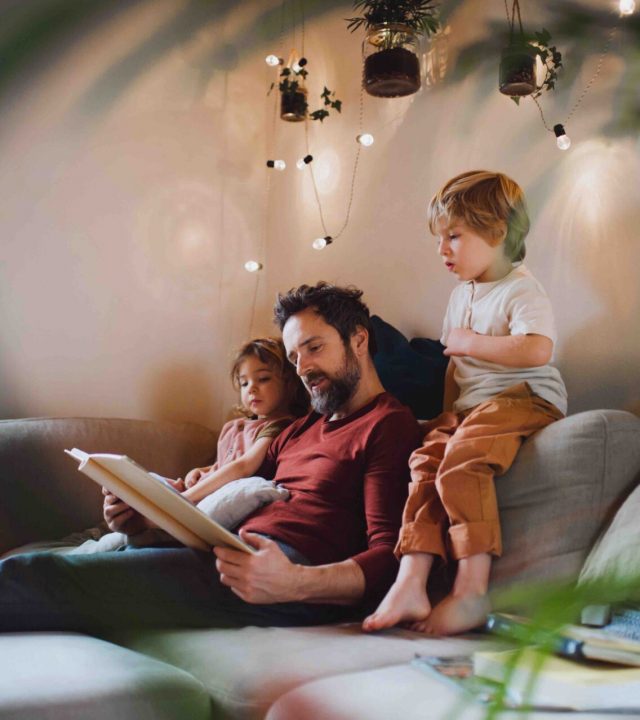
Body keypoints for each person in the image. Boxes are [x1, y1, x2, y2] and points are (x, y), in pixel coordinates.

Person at [0, 283, 421, 633]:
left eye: (314, 348)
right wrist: (144, 514)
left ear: (359, 340)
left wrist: (296, 583)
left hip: (288, 581)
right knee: (40, 567)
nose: (303, 367)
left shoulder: (387, 424)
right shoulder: (301, 427)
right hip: (227, 555)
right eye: (295, 357)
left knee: (33, 576)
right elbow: (228, 479)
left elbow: (388, 556)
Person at [363, 170, 568, 636]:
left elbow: (537, 349)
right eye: (440, 239)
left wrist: (472, 341)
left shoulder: (521, 289)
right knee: (426, 461)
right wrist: (444, 414)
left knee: (463, 463)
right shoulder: (460, 296)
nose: (443, 250)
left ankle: (471, 590)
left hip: (525, 396)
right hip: (475, 405)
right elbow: (455, 368)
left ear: (498, 231)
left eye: (454, 236)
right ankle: (411, 580)